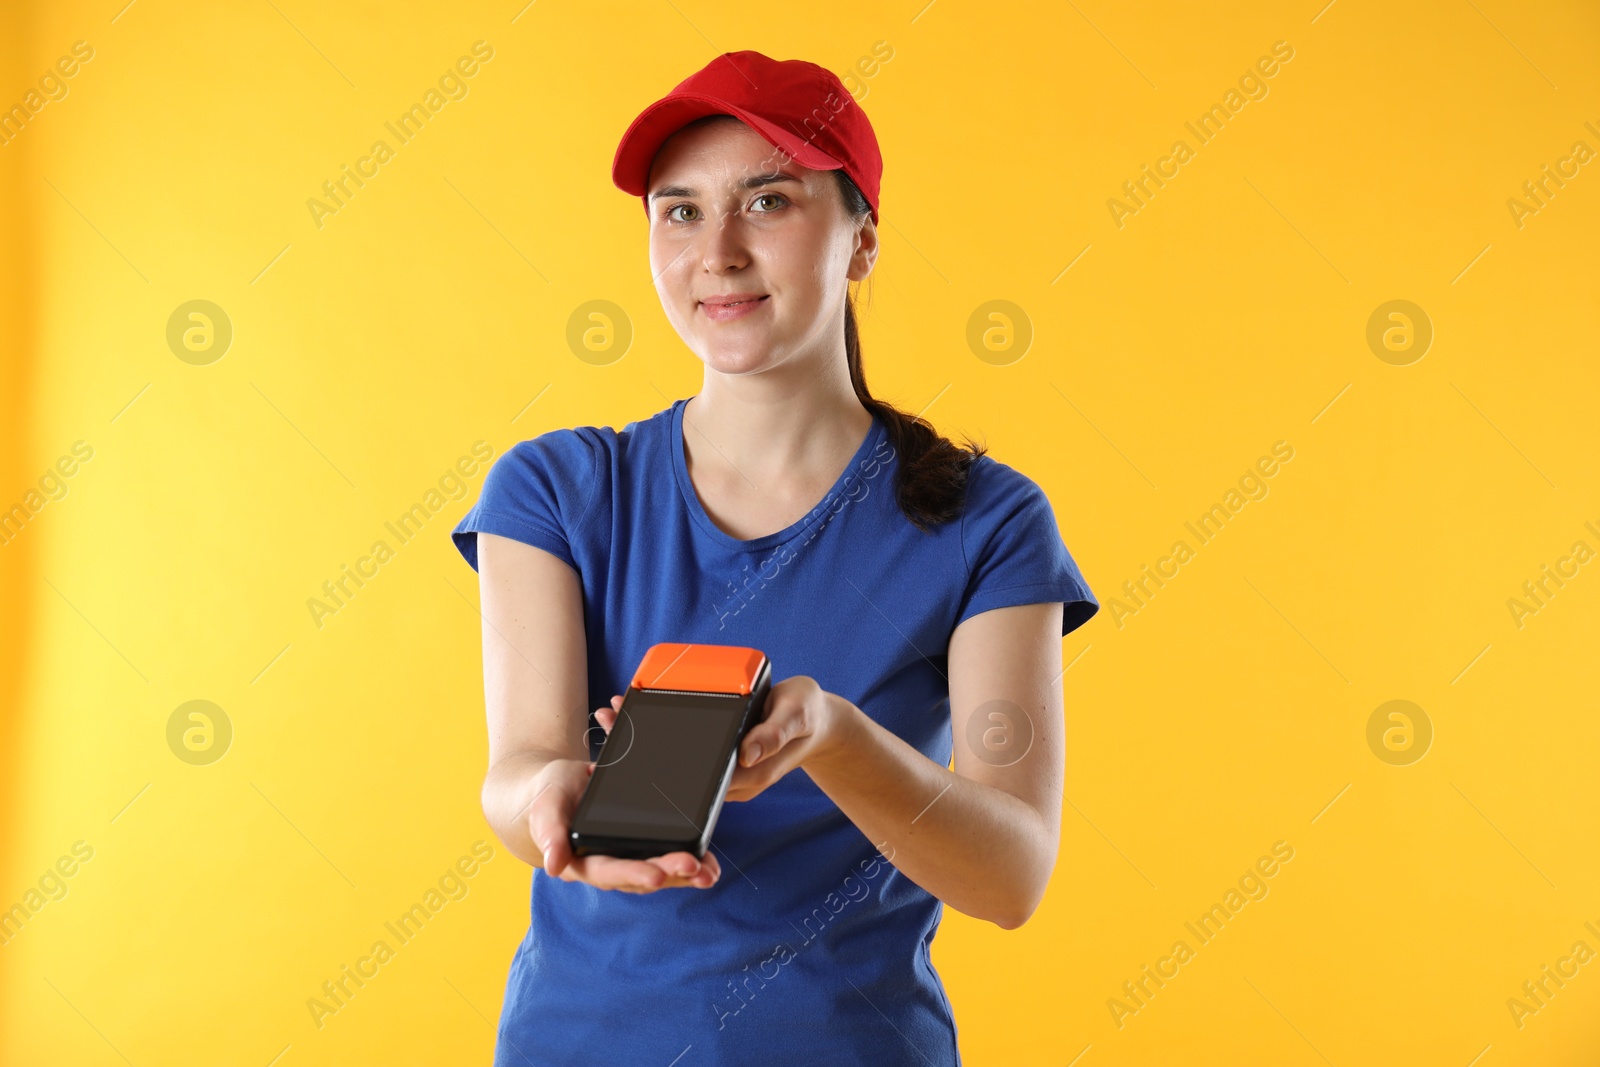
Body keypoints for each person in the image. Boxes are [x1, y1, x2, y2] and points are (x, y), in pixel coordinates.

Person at [451, 49, 1098, 1067]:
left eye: (767, 201)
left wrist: (833, 736)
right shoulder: (555, 491)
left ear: (862, 242)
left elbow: (1009, 874)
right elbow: (519, 766)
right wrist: (548, 799)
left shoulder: (989, 521)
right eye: (679, 210)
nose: (717, 252)